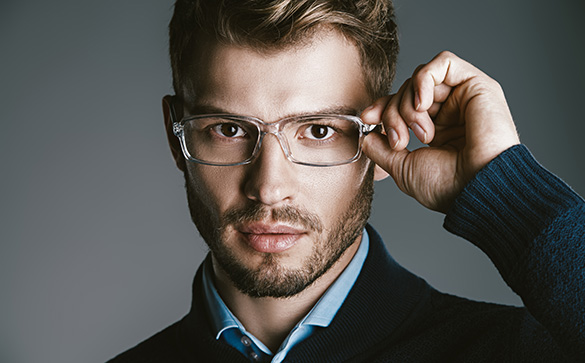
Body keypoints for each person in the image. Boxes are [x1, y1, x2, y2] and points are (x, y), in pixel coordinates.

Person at [108, 0, 584, 362]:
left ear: (382, 139)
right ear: (177, 139)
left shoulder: (515, 351)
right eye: (229, 130)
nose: (270, 187)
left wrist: (513, 199)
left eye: (319, 131)